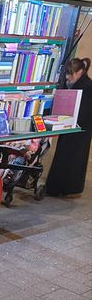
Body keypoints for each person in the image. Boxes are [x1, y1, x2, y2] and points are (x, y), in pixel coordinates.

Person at [46, 57, 92, 196]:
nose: (67, 77)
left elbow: (86, 109)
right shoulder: (70, 83)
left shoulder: (88, 86)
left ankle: (69, 188)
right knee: (63, 155)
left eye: (70, 73)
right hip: (69, 125)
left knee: (75, 158)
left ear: (79, 72)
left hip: (82, 128)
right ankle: (56, 186)